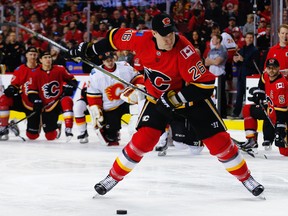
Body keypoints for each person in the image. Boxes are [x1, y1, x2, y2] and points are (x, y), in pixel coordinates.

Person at [68, 13, 264, 197]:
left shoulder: (184, 50)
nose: (169, 39)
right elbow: (113, 37)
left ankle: (247, 178)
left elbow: (205, 85)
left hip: (190, 98)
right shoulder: (139, 38)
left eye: (171, 33)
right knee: (142, 140)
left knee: (219, 142)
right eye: (163, 35)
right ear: (153, 34)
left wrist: (173, 100)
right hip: (156, 98)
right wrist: (89, 50)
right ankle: (113, 177)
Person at [83, 52, 144, 146]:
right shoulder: (95, 74)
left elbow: (137, 77)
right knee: (111, 138)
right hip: (111, 107)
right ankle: (112, 132)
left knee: (138, 109)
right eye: (107, 61)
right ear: (103, 61)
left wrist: (137, 86)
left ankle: (140, 133)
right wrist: (97, 110)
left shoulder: (125, 66)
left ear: (114, 58)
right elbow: (93, 95)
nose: (110, 62)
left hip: (126, 100)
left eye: (111, 59)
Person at [240, 58, 288, 156]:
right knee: (248, 109)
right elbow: (261, 85)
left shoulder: (281, 85)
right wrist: (259, 94)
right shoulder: (266, 75)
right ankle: (251, 140)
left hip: (281, 115)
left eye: (274, 68)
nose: (271, 70)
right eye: (269, 68)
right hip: (270, 110)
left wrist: (280, 128)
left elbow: (282, 111)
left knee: (284, 152)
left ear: (279, 68)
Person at [27, 51, 77, 141]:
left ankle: (68, 129)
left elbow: (72, 80)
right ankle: (57, 127)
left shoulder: (60, 69)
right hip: (47, 106)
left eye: (49, 57)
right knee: (50, 136)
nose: (48, 59)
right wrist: (36, 101)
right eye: (45, 57)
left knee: (67, 100)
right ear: (40, 60)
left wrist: (71, 86)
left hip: (58, 101)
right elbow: (31, 92)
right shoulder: (34, 73)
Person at [0, 47, 39, 141]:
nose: (32, 57)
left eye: (34, 54)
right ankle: (4, 127)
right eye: (30, 54)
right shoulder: (20, 69)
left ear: (37, 56)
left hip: (35, 104)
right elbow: (14, 84)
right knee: (4, 99)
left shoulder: (42, 69)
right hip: (22, 100)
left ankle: (54, 126)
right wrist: (11, 88)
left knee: (32, 136)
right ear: (26, 55)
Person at [230, 32, 260, 118]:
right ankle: (236, 113)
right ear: (245, 39)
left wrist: (243, 60)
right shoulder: (242, 49)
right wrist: (235, 61)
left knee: (248, 96)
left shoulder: (255, 51)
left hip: (250, 76)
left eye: (251, 37)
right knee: (239, 95)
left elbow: (255, 65)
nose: (249, 39)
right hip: (241, 75)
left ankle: (249, 113)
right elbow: (238, 63)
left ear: (253, 39)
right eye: (248, 37)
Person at [205, 34, 228, 117]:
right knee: (212, 95)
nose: (212, 40)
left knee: (221, 95)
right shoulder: (211, 50)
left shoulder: (223, 50)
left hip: (220, 74)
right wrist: (213, 61)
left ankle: (223, 114)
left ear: (218, 40)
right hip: (212, 75)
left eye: (213, 39)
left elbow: (218, 62)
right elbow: (206, 62)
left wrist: (212, 61)